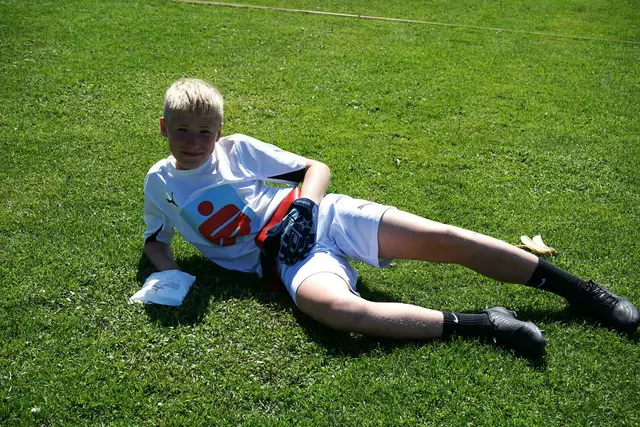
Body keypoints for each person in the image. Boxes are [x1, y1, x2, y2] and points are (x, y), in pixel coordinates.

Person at [142, 78, 639, 359]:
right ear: (164, 128)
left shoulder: (238, 149)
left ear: (219, 130)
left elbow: (316, 168)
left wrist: (306, 207)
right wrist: (172, 274)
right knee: (334, 311)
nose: (194, 141)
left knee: (443, 238)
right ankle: (487, 324)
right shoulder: (159, 183)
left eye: (204, 131)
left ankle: (584, 293)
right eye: (182, 130)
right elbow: (156, 240)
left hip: (323, 218)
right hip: (287, 260)